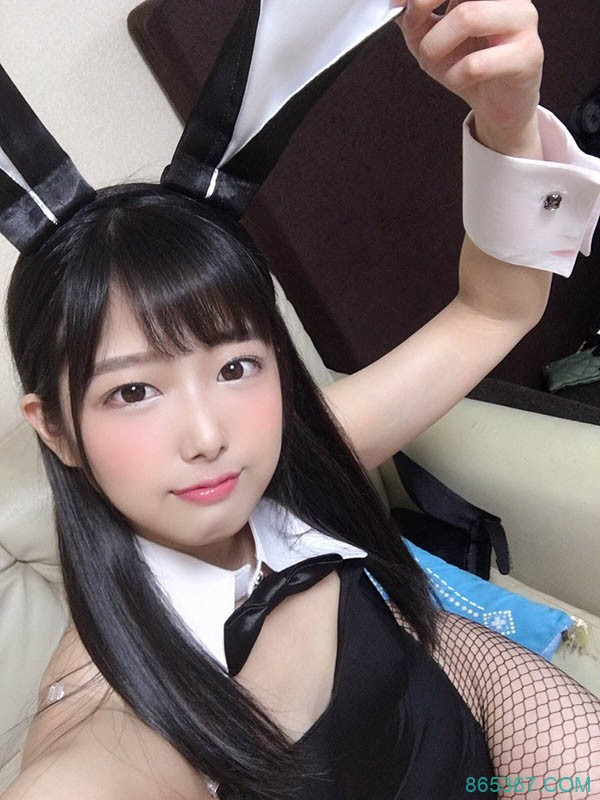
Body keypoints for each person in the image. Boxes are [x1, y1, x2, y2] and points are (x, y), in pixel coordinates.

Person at [2, 1, 600, 798]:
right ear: (56, 429)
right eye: (134, 390)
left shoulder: (289, 471)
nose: (207, 435)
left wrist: (507, 117)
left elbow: (495, 309)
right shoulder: (103, 731)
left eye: (235, 367)